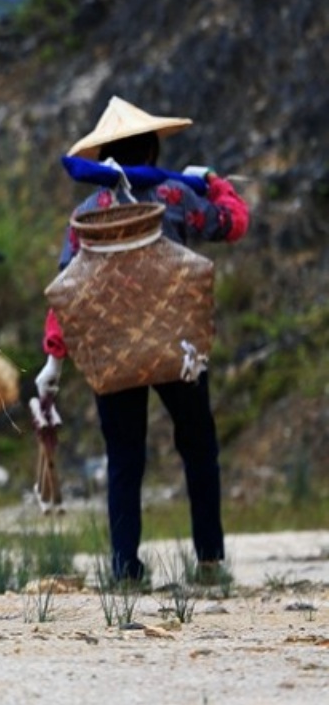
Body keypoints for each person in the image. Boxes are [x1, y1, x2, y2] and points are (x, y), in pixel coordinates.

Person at [35, 96, 249, 585]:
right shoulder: (175, 195)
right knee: (199, 447)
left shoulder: (87, 213)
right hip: (178, 347)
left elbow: (67, 289)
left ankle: (125, 567)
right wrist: (215, 182)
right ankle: (209, 561)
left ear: (104, 157)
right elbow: (232, 223)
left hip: (115, 352)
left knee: (125, 458)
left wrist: (54, 359)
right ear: (153, 151)